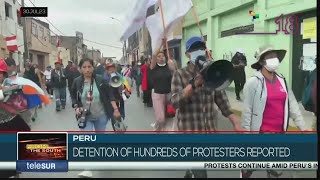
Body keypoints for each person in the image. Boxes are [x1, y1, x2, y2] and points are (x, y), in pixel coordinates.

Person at [171, 36, 242, 178]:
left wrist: (235, 121)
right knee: (201, 173)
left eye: (201, 48)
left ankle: (190, 172)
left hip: (209, 131)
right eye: (194, 49)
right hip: (190, 132)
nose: (198, 51)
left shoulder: (213, 72)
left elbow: (221, 99)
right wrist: (191, 87)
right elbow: (174, 102)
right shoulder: (179, 74)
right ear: (187, 54)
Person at [241, 46, 308, 178]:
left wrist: (303, 128)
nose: (274, 59)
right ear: (261, 62)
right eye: (269, 57)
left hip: (279, 133)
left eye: (275, 56)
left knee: (276, 170)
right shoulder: (253, 83)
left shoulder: (282, 80)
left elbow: (293, 104)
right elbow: (247, 112)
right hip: (261, 134)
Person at [71, 58, 121, 178]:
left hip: (101, 115)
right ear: (80, 69)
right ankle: (88, 168)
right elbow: (73, 95)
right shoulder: (77, 81)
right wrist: (76, 107)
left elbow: (110, 96)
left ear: (93, 68)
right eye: (84, 67)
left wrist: (115, 110)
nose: (87, 69)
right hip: (85, 116)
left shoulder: (101, 80)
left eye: (89, 67)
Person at [0, 58, 30, 178]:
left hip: (11, 121)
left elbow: (20, 105)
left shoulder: (7, 86)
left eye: (1, 73)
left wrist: (13, 92)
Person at [149, 49, 177, 131]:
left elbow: (176, 77)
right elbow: (154, 55)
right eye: (159, 56)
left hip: (169, 93)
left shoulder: (169, 66)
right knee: (161, 119)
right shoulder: (153, 67)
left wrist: (173, 69)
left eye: (163, 56)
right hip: (157, 94)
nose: (161, 58)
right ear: (156, 58)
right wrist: (160, 43)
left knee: (169, 116)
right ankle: (156, 130)